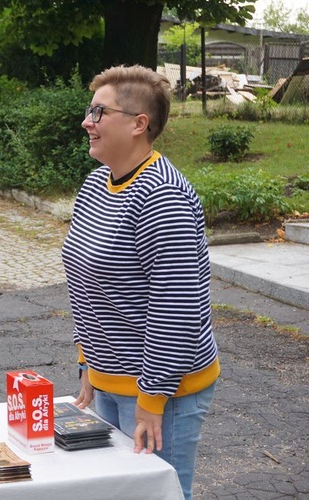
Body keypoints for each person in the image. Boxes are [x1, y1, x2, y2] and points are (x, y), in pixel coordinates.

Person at [62, 65, 220, 500]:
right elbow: (85, 283)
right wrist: (89, 364)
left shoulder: (162, 195)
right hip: (111, 378)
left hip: (161, 391)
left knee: (157, 494)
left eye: (98, 111)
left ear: (138, 124)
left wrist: (152, 398)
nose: (86, 121)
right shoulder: (97, 184)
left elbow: (178, 305)